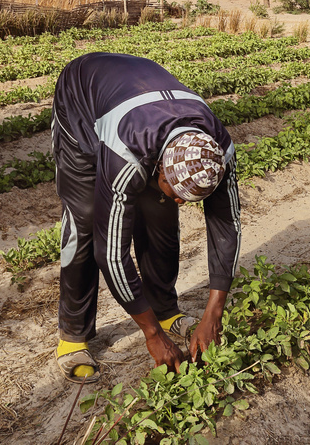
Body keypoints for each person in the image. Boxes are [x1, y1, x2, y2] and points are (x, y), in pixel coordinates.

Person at [50, 52, 241, 383]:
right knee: (86, 220)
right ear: (161, 168)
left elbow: (228, 226)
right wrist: (152, 336)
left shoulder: (218, 154)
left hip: (139, 93)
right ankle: (73, 335)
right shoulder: (127, 152)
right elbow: (111, 254)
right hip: (81, 102)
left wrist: (214, 314)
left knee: (160, 210)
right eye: (178, 192)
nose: (182, 202)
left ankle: (165, 309)